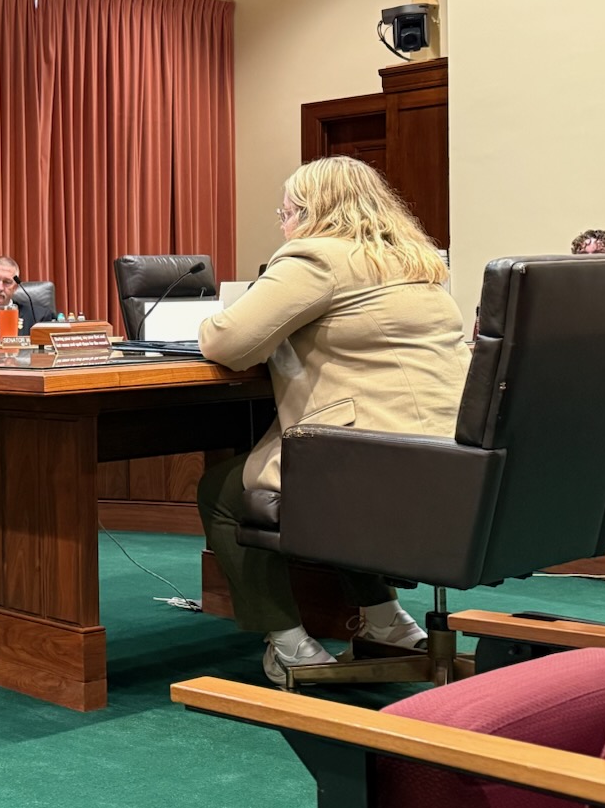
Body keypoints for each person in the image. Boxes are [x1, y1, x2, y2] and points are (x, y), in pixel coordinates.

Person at [194, 156, 469, 688]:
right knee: (333, 481)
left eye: (286, 213)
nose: (283, 225)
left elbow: (228, 341)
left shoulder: (317, 257)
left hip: (376, 461)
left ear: (312, 212)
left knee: (224, 494)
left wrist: (211, 321)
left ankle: (289, 645)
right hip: (449, 459)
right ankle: (387, 619)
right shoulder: (413, 259)